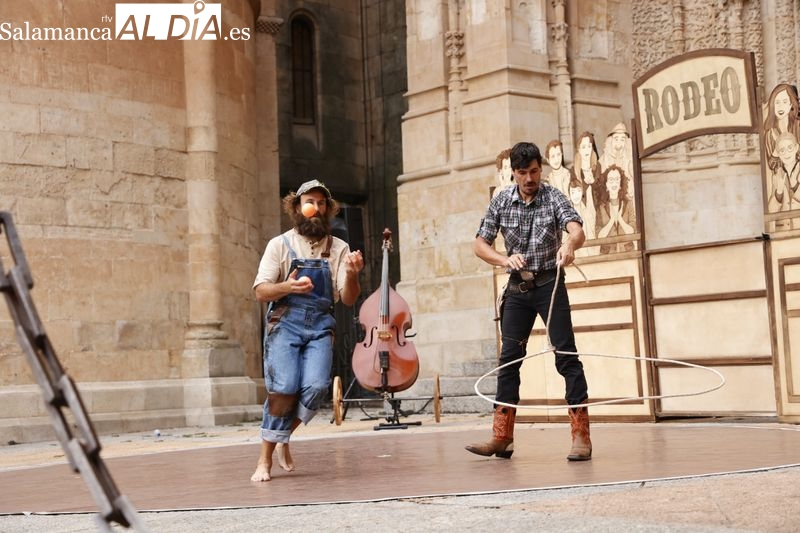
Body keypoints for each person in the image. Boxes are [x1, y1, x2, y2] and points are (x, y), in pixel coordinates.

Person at [466, 141, 592, 462]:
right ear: (514, 173)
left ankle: (581, 436)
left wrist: (569, 245)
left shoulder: (553, 197)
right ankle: (502, 436)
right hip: (517, 291)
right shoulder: (502, 201)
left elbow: (577, 229)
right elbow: (480, 244)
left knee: (565, 357)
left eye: (534, 171)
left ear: (541, 169)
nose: (529, 178)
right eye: (522, 173)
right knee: (509, 360)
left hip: (550, 284)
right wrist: (502, 260)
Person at [251, 179, 365, 482]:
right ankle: (264, 460)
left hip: (320, 323)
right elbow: (261, 291)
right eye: (309, 201)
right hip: (285, 322)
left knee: (315, 388)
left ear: (327, 210)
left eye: (322, 203)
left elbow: (349, 298)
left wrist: (353, 274)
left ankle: (283, 437)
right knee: (284, 388)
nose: (316, 207)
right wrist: (288, 286)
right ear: (297, 208)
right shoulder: (279, 244)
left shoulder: (339, 248)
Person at [595, 165, 636, 254]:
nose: (614, 183)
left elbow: (632, 232)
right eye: (611, 180)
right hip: (607, 254)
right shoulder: (601, 206)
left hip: (627, 252)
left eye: (617, 179)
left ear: (621, 183)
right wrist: (612, 220)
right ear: (606, 184)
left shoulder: (628, 203)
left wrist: (620, 219)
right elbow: (599, 236)